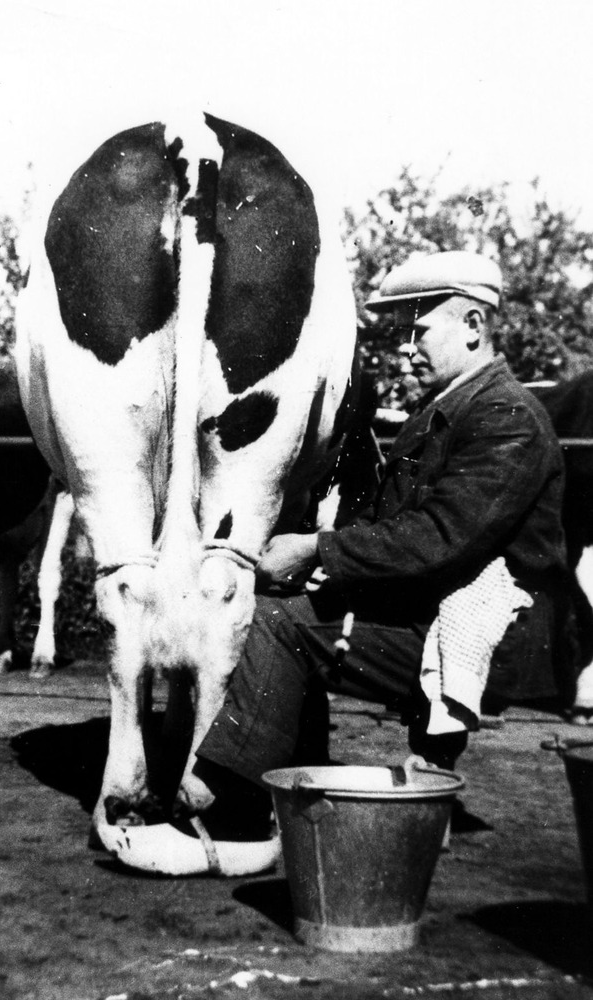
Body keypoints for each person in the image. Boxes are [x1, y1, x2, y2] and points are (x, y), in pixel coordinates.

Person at [187, 249, 570, 842]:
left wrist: (318, 550)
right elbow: (389, 521)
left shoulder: (507, 416)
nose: (406, 350)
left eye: (420, 332)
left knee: (281, 626)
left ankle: (232, 801)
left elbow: (440, 539)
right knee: (292, 609)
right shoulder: (451, 407)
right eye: (401, 336)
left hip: (500, 634)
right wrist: (319, 564)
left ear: (473, 325)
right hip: (439, 609)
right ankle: (295, 781)